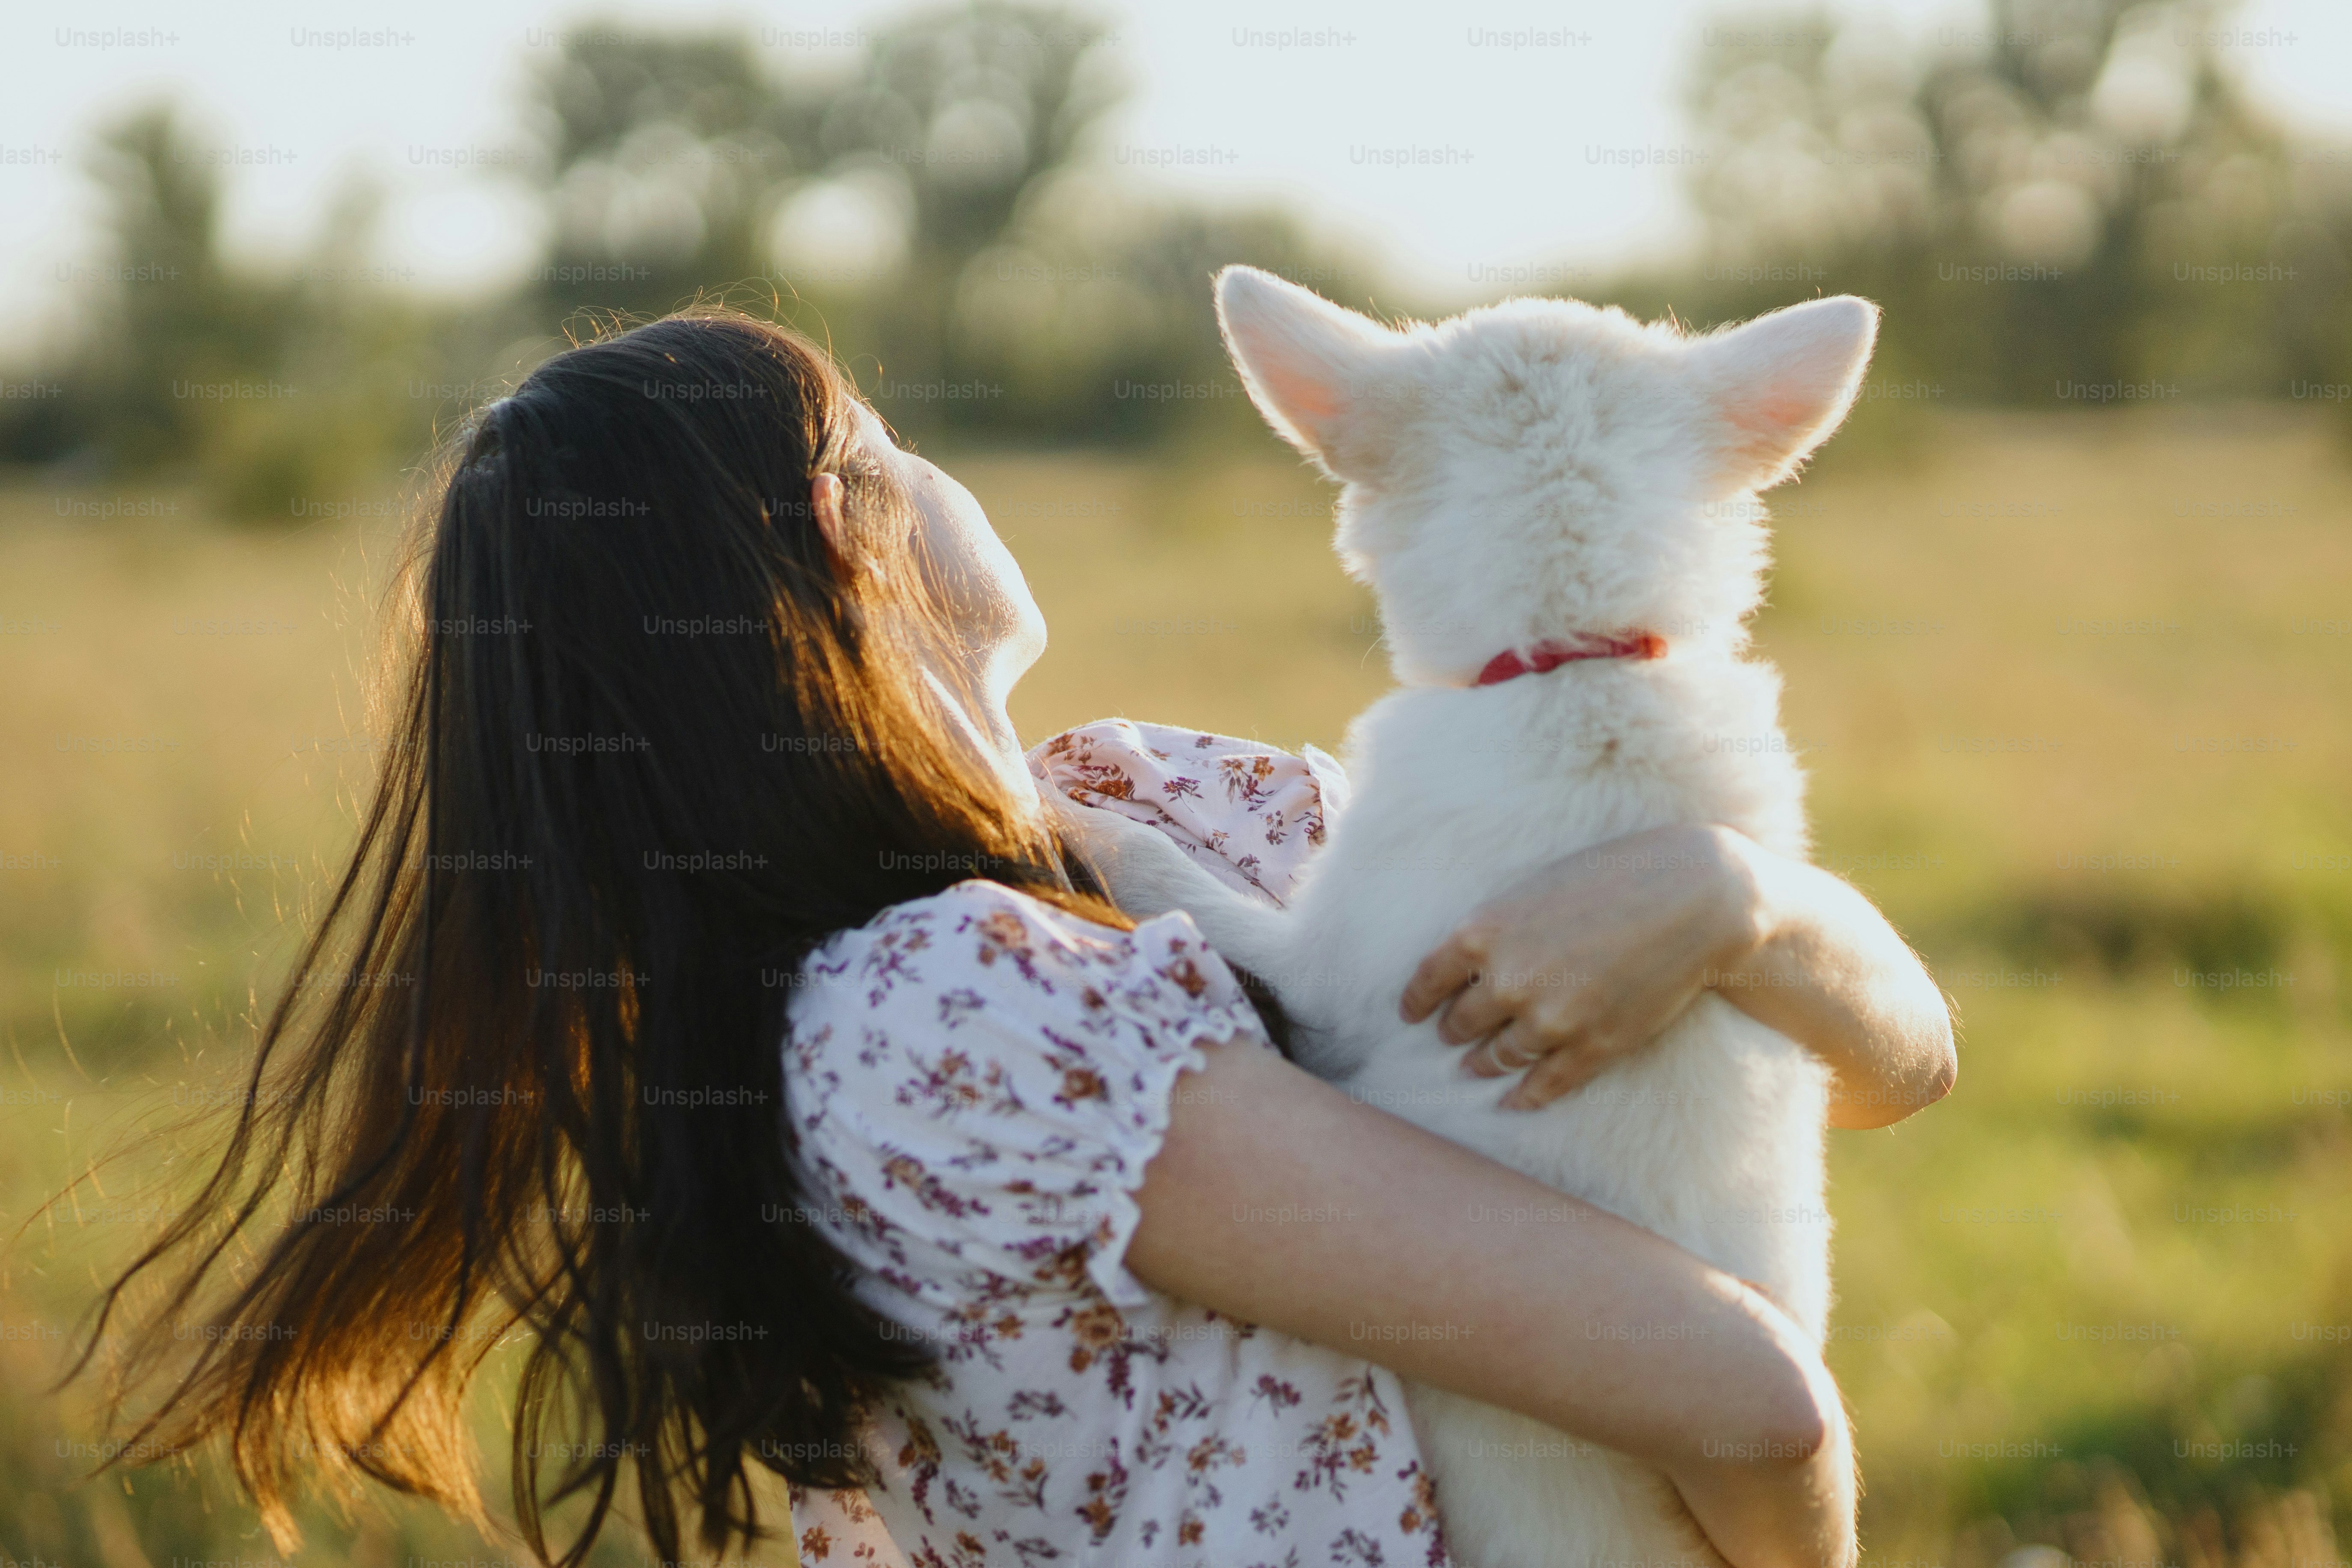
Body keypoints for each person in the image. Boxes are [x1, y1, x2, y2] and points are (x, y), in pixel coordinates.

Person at [83, 311, 1953, 1568]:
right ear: (847, 523)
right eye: (897, 439)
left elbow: (1898, 1068)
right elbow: (1749, 1399)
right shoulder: (939, 1007)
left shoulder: (1162, 806)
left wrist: (1739, 901)